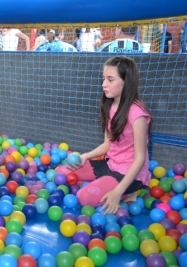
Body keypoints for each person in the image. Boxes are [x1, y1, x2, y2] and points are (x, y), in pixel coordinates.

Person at [65, 56, 152, 215]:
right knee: (65, 173)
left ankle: (129, 190)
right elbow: (108, 144)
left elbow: (140, 158)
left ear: (126, 82)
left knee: (83, 197)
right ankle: (107, 183)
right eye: (104, 78)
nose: (104, 84)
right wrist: (85, 157)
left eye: (110, 79)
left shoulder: (137, 115)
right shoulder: (110, 106)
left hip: (130, 172)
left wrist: (118, 191)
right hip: (110, 164)